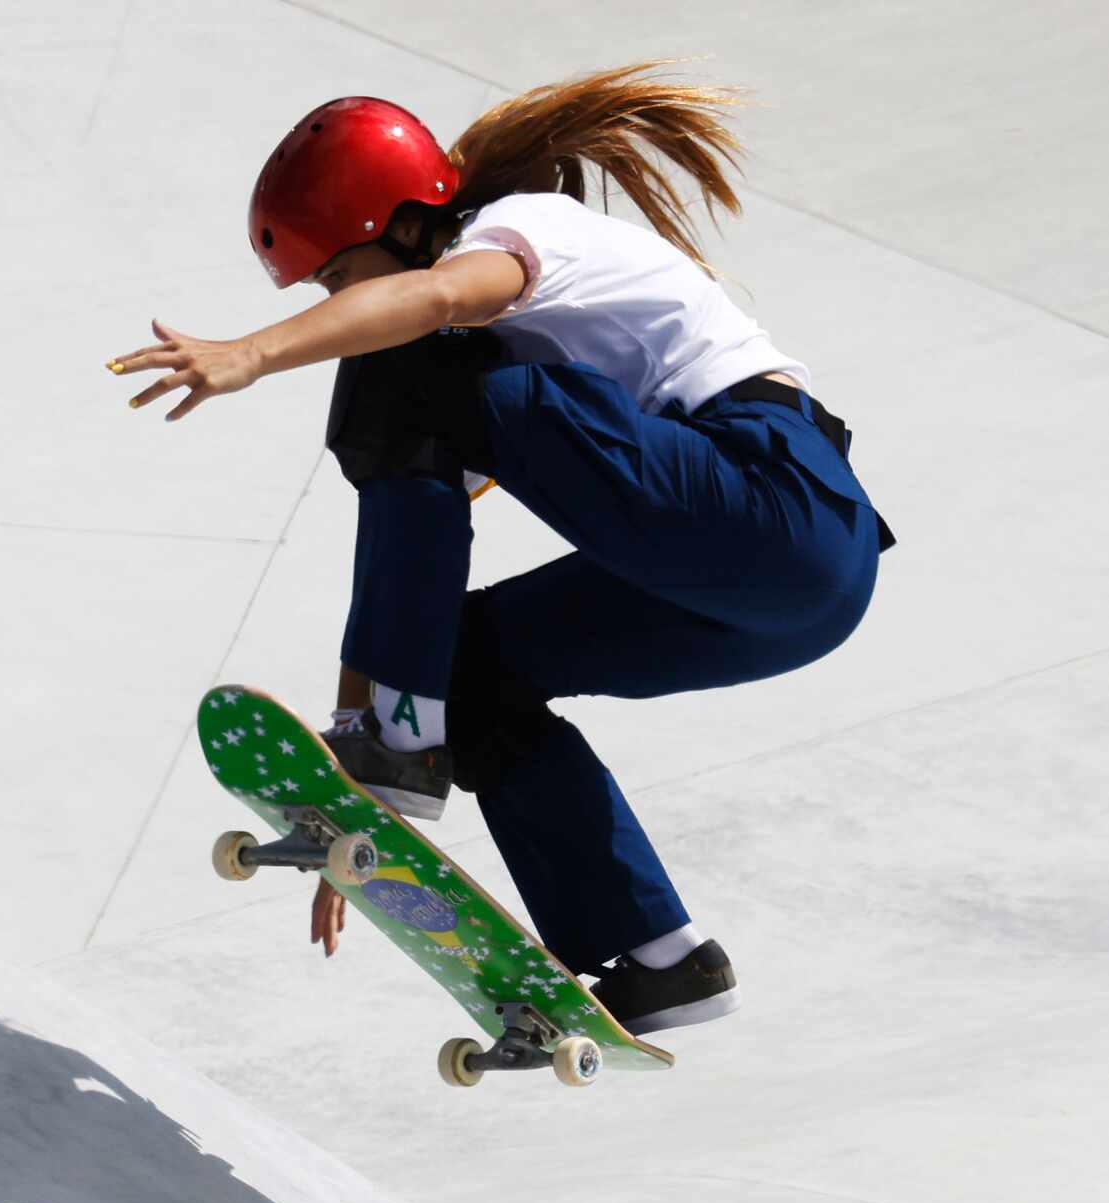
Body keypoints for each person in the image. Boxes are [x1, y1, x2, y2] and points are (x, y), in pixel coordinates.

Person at [106, 64, 892, 1035]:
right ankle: (657, 958)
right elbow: (404, 541)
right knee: (471, 670)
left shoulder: (516, 233)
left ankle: (403, 741)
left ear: (400, 226)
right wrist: (358, 803)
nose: (332, 300)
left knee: (407, 365)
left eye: (337, 277)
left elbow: (433, 306)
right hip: (775, 593)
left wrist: (252, 353)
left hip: (774, 500)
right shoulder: (500, 337)